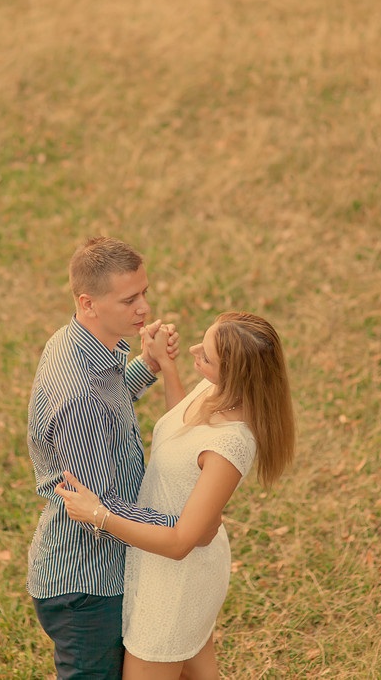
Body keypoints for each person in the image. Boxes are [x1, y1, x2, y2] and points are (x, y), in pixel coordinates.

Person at [56, 311, 295, 680]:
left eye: (208, 355)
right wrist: (167, 366)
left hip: (178, 580)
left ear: (234, 374)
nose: (195, 349)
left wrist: (99, 515)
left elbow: (182, 541)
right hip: (162, 562)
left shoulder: (230, 447)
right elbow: (183, 432)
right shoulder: (216, 390)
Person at [27, 237, 185, 680]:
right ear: (88, 302)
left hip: (108, 567)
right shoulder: (77, 394)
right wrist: (182, 529)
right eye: (130, 299)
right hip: (86, 586)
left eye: (145, 293)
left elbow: (111, 403)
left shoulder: (85, 343)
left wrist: (149, 365)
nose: (144, 309)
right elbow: (98, 507)